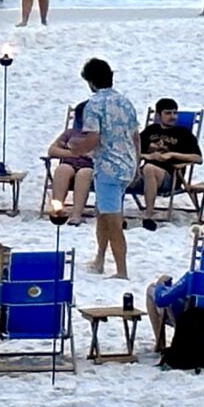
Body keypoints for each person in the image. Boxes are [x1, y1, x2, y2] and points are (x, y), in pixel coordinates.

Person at [71, 58, 137, 278]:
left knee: (113, 221)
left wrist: (77, 148)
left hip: (109, 168)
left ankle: (122, 270)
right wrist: (136, 162)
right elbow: (135, 136)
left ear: (91, 81)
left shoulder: (94, 104)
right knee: (103, 214)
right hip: (127, 163)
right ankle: (99, 258)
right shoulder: (125, 102)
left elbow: (93, 138)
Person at [136, 99, 202, 216]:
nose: (173, 117)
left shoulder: (183, 133)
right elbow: (131, 152)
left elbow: (198, 158)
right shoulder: (150, 131)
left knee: (149, 168)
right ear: (158, 115)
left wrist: (172, 155)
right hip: (144, 175)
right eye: (168, 113)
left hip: (170, 177)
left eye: (175, 113)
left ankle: (148, 214)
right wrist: (149, 156)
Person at [45, 102, 96, 224]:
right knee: (62, 169)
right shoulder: (70, 133)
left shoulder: (98, 135)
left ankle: (76, 214)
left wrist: (89, 154)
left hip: (90, 166)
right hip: (70, 162)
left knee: (84, 174)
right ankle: (58, 211)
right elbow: (52, 150)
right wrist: (73, 153)